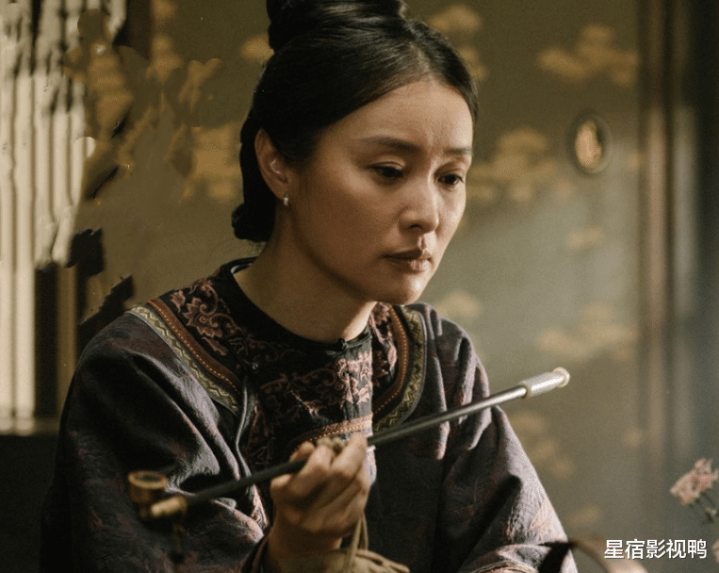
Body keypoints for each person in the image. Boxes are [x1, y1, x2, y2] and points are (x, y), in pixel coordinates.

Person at [41, 1, 577, 572]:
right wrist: (292, 560)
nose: (428, 213)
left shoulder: (438, 359)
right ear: (278, 163)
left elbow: (529, 552)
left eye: (451, 177)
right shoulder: (145, 373)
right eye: (388, 171)